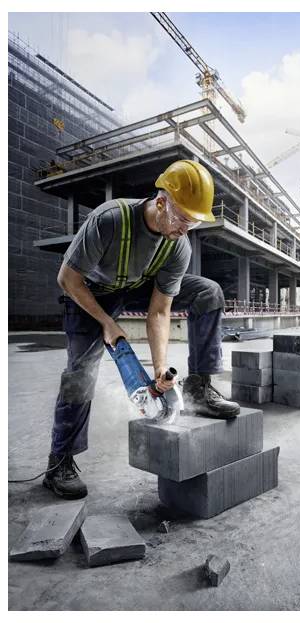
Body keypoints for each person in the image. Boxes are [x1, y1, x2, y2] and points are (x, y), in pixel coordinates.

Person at [43, 160, 240, 500]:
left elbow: (160, 310)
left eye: (193, 223)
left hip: (134, 287)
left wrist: (161, 368)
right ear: (161, 202)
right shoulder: (109, 220)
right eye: (182, 218)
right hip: (88, 292)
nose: (185, 229)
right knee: (80, 372)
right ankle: (60, 461)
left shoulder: (179, 244)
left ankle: (199, 389)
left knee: (208, 292)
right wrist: (106, 322)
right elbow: (67, 278)